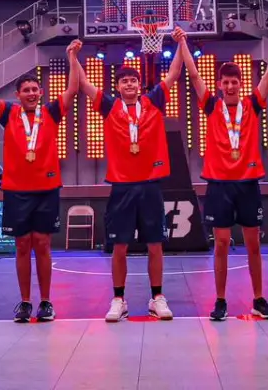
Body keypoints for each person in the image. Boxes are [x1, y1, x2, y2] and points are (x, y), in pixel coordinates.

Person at [73, 30, 186, 322]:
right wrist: (72, 56)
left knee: (155, 245)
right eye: (124, 81)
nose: (130, 84)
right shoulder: (110, 107)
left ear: (139, 84)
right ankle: (119, 299)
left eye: (134, 80)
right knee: (119, 246)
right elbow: (84, 84)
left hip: (150, 186)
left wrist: (181, 43)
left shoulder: (153, 102)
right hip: (121, 187)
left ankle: (157, 297)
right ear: (118, 86)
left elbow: (174, 73)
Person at [179, 22, 268, 321]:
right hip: (219, 185)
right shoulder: (211, 106)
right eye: (224, 82)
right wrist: (183, 43)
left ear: (241, 84)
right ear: (219, 85)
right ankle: (221, 300)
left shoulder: (253, 104)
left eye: (234, 82)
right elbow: (193, 74)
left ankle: (258, 298)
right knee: (222, 245)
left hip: (248, 184)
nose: (229, 86)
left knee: (253, 244)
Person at [0, 40, 81, 323]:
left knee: (43, 244)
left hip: (46, 189)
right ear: (18, 94)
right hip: (17, 191)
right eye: (26, 90)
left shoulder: (51, 113)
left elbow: (72, 90)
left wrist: (72, 57)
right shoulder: (8, 113)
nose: (31, 93)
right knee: (22, 245)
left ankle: (45, 301)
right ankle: (24, 302)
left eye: (35, 89)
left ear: (41, 92)